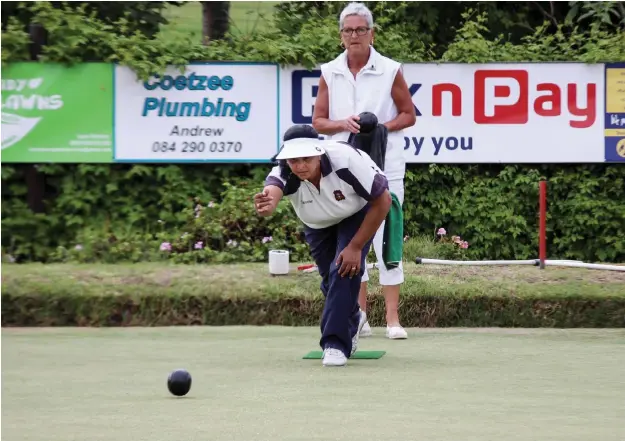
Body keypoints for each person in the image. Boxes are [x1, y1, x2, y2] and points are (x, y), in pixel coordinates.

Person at [312, 1, 416, 340]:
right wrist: (344, 123)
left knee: (389, 241)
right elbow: (318, 122)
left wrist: (379, 128)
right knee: (354, 240)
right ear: (341, 35)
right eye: (348, 30)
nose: (354, 35)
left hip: (386, 167)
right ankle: (359, 318)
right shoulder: (330, 71)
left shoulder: (389, 69)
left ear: (371, 33)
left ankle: (393, 319)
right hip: (343, 169)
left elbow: (408, 114)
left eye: (360, 29)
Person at [254, 124, 392, 367]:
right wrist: (268, 204)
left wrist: (356, 246)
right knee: (331, 283)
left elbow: (383, 201)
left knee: (342, 270)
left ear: (319, 153)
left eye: (306, 158)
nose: (300, 166)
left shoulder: (345, 160)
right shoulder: (285, 170)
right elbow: (273, 188)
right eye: (294, 160)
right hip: (317, 223)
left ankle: (335, 344)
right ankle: (354, 316)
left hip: (357, 212)